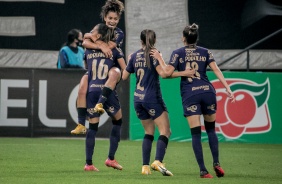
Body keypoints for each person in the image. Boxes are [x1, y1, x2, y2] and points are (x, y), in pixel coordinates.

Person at [150, 23, 235, 178]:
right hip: (208, 92)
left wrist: (160, 59)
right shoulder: (205, 52)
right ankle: (217, 163)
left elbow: (167, 74)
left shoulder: (178, 53)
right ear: (196, 38)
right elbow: (216, 69)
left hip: (191, 95)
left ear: (183, 38)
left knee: (196, 134)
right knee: (210, 130)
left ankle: (203, 170)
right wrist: (227, 88)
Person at [122, 29, 194, 176]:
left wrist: (129, 61)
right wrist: (183, 73)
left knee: (148, 132)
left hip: (138, 99)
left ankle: (145, 167)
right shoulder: (154, 54)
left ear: (141, 40)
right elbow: (164, 74)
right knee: (165, 131)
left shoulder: (134, 56)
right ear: (155, 40)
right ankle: (158, 161)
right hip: (152, 98)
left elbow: (124, 77)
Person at [71, 0, 125, 135]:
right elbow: (85, 41)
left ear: (118, 19)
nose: (112, 21)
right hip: (96, 69)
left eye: (115, 19)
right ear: (105, 18)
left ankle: (101, 102)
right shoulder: (99, 27)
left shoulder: (119, 33)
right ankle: (81, 124)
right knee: (82, 87)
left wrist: (94, 39)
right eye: (110, 18)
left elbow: (109, 46)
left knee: (113, 74)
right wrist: (99, 44)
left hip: (111, 65)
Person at [84, 23, 126, 171]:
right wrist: (118, 75)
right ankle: (111, 158)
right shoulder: (114, 50)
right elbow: (125, 70)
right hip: (106, 91)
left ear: (99, 35)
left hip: (91, 90)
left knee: (92, 127)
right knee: (118, 121)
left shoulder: (88, 49)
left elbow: (86, 67)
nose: (91, 33)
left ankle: (88, 164)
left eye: (93, 31)